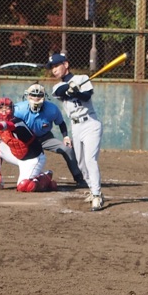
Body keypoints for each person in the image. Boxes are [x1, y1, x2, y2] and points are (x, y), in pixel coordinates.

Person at [46, 53, 105, 211]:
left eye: (57, 66)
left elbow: (86, 96)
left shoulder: (82, 78)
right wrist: (69, 88)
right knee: (80, 162)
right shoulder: (57, 86)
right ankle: (93, 189)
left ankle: (97, 195)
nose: (54, 70)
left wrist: (76, 91)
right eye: (52, 67)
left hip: (90, 123)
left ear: (65, 64)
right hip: (76, 126)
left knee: (90, 159)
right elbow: (61, 92)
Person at [13, 83, 87, 189]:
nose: (36, 98)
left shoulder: (52, 109)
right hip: (25, 140)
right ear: (27, 95)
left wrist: (65, 137)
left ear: (44, 96)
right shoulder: (19, 109)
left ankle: (79, 178)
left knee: (67, 149)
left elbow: (61, 123)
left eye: (39, 95)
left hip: (45, 138)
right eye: (33, 95)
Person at [0, 96, 56, 193]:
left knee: (24, 186)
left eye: (7, 108)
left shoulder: (17, 122)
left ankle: (45, 178)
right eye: (0, 108)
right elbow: (7, 137)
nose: (4, 111)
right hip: (18, 155)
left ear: (12, 109)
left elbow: (9, 126)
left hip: (33, 158)